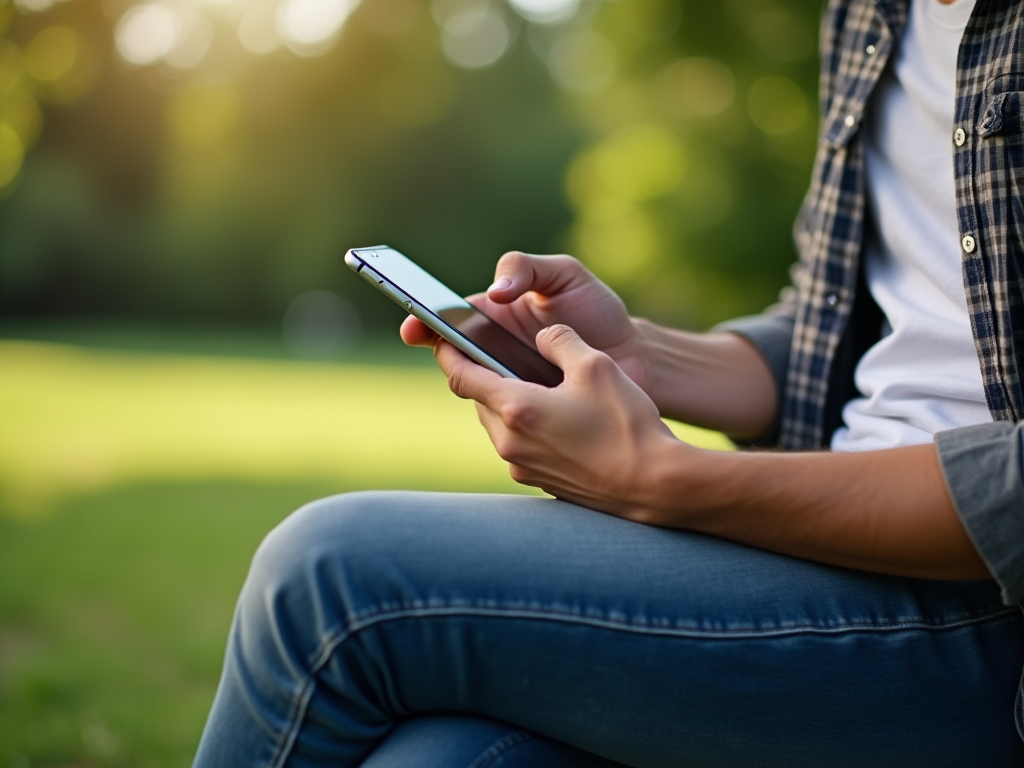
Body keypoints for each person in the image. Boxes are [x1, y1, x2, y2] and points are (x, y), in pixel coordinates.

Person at [193, 0, 1024, 765]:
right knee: (441, 758)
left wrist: (665, 481)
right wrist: (645, 359)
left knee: (329, 575)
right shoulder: (874, 11)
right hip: (831, 548)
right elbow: (860, 325)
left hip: (990, 615)